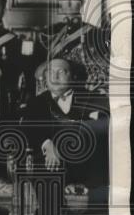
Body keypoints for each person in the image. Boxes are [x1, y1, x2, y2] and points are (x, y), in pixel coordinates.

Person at [21, 58, 109, 189]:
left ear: (72, 77)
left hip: (87, 164)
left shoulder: (92, 98)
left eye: (61, 72)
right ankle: (49, 208)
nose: (55, 76)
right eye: (51, 72)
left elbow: (108, 123)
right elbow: (29, 126)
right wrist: (47, 144)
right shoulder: (36, 103)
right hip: (51, 163)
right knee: (46, 178)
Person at [36, 0, 110, 91]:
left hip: (79, 91)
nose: (68, 4)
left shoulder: (95, 34)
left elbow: (100, 71)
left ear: (82, 3)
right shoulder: (51, 33)